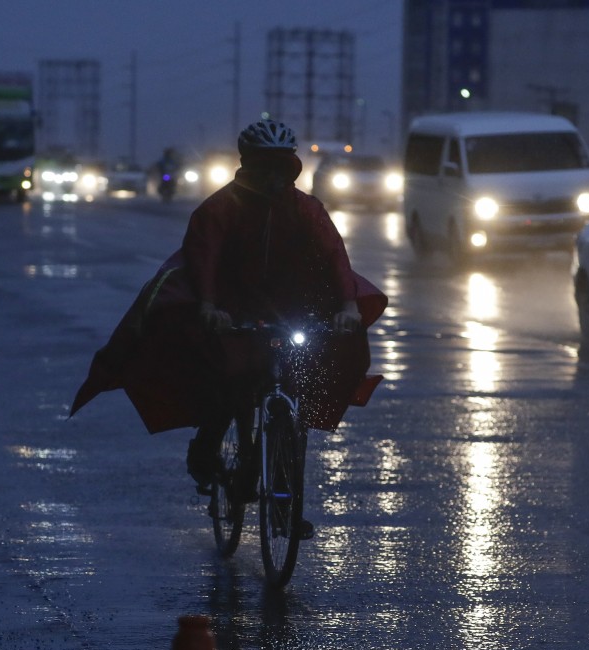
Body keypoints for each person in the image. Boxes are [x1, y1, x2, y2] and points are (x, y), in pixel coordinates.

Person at [70, 119, 387, 520]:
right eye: (264, 166)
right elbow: (204, 260)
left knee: (295, 385)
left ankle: (285, 499)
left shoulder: (307, 209)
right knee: (232, 385)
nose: (272, 176)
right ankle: (206, 448)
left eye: (280, 166)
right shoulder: (218, 209)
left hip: (291, 309)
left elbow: (335, 259)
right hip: (231, 309)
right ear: (248, 165)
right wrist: (208, 306)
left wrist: (346, 307)